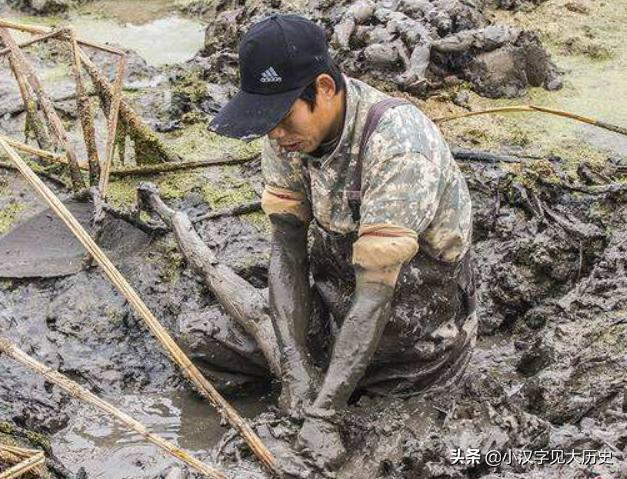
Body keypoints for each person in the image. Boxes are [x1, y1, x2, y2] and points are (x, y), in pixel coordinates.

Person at [207, 13, 478, 468]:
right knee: (203, 344)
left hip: (412, 339)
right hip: (333, 314)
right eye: (266, 119)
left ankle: (340, 392)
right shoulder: (289, 135)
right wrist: (295, 367)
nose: (275, 133)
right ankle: (317, 371)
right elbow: (286, 248)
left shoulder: (397, 143)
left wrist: (324, 413)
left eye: (281, 117)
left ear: (325, 89)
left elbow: (375, 294)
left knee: (379, 457)